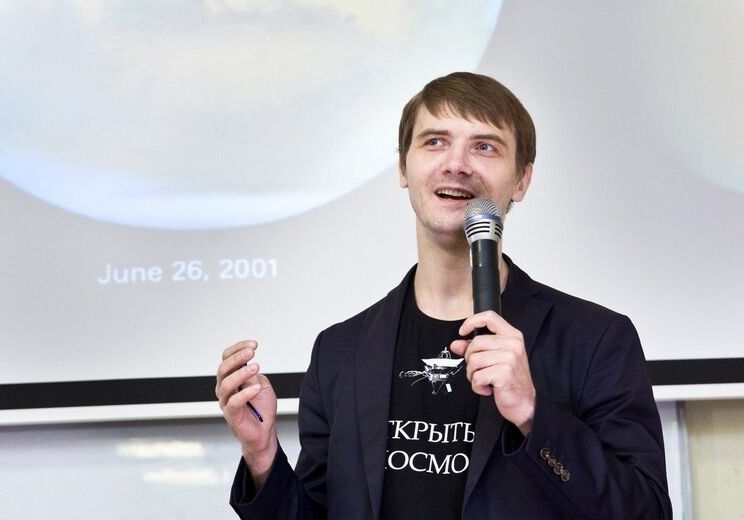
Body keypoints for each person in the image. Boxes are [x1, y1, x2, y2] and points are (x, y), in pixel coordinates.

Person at [215, 72, 672, 519]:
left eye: (485, 146)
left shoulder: (595, 340)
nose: (457, 164)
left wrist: (533, 415)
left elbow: (646, 511)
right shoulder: (340, 351)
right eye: (435, 142)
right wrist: (262, 457)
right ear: (403, 167)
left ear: (522, 180)